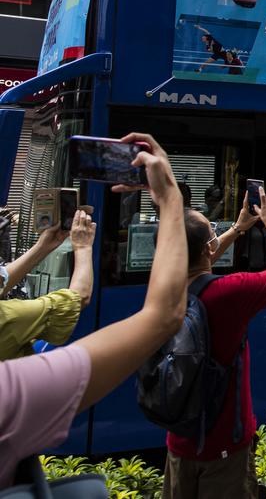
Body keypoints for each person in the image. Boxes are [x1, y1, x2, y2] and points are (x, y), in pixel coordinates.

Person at [0, 133, 187, 489]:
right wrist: (168, 197)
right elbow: (162, 316)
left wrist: (43, 247)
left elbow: (3, 277)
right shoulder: (9, 390)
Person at [163, 185, 266, 499]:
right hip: (225, 444)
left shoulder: (163, 292)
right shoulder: (230, 292)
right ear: (207, 249)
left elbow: (196, 261)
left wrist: (237, 229)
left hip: (180, 443)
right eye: (212, 230)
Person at [0, 211, 95, 360]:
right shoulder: (9, 317)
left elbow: (2, 278)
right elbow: (78, 298)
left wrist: (43, 246)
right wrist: (83, 247)